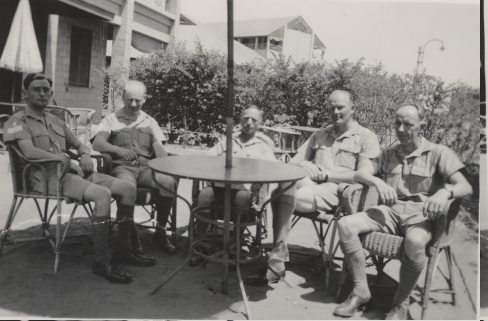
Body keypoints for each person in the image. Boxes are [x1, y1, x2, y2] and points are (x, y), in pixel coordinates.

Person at [3, 73, 155, 284]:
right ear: (25, 93)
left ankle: (123, 249)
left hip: (72, 174)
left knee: (128, 189)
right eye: (36, 89)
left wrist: (84, 154)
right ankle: (102, 263)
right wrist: (65, 161)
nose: (42, 93)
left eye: (46, 90)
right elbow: (28, 152)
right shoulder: (15, 121)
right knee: (103, 195)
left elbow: (82, 144)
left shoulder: (56, 120)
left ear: (51, 93)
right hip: (47, 178)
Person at [334, 103, 472, 319]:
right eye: (397, 123)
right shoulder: (389, 153)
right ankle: (361, 292)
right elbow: (361, 173)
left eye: (408, 124)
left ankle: (400, 304)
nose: (401, 129)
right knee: (345, 224)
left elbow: (466, 187)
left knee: (416, 242)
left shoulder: (438, 153)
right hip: (389, 212)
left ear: (422, 126)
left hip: (422, 216)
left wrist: (445, 192)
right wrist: (378, 183)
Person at [245, 89, 380, 286]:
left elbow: (364, 174)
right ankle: (278, 256)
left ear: (352, 108)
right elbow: (293, 163)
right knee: (283, 182)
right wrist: (305, 164)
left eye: (340, 107)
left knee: (290, 195)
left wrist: (327, 175)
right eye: (331, 108)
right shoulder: (320, 134)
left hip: (340, 191)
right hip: (312, 185)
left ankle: (276, 260)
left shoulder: (366, 137)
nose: (335, 112)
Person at [92, 80, 177, 254]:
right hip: (123, 169)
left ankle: (160, 233)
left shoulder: (150, 122)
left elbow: (160, 151)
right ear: (123, 97)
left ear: (144, 99)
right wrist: (118, 151)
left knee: (168, 182)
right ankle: (128, 236)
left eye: (137, 100)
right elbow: (97, 144)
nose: (133, 104)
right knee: (127, 186)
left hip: (146, 170)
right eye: (129, 99)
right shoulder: (111, 119)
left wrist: (160, 152)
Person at [190, 105, 276, 266]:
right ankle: (200, 243)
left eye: (254, 120)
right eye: (246, 118)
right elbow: (207, 160)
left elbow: (272, 170)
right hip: (218, 187)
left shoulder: (262, 147)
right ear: (240, 119)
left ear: (259, 124)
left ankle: (235, 244)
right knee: (204, 194)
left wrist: (262, 198)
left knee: (243, 197)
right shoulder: (228, 141)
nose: (249, 122)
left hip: (242, 189)